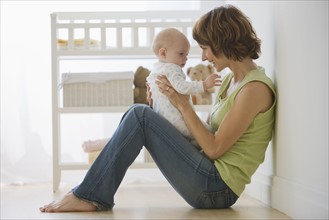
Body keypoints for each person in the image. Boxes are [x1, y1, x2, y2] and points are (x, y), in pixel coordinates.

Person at [40, 4, 276, 212]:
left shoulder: (254, 89)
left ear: (223, 41)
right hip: (206, 172)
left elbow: (214, 148)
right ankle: (89, 194)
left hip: (215, 187)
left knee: (140, 115)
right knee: (143, 113)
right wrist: (162, 106)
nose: (203, 57)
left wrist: (182, 104)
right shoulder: (228, 81)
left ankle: (88, 195)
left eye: (205, 48)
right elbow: (202, 132)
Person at [147, 28, 219, 146]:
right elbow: (181, 87)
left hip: (163, 119)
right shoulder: (172, 68)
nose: (185, 58)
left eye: (186, 55)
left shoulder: (155, 70)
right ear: (163, 53)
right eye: (181, 54)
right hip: (176, 119)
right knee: (207, 132)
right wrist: (204, 85)